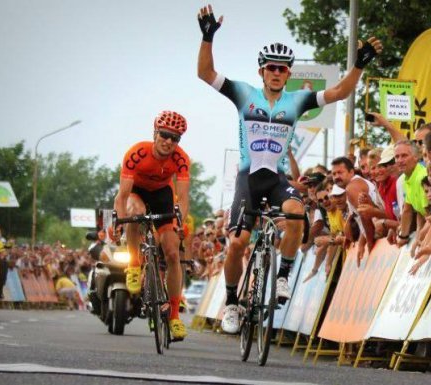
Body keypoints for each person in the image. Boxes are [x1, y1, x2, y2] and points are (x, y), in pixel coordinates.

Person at [197, 4, 382, 333]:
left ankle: (282, 277)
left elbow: (341, 91)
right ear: (261, 71)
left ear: (288, 73)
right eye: (271, 68)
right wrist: (208, 37)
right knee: (238, 243)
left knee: (297, 213)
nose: (277, 73)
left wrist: (358, 66)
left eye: (283, 69)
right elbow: (206, 74)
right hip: (248, 179)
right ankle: (230, 303)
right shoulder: (244, 93)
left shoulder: (296, 100)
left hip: (277, 179)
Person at [111, 110, 190, 341]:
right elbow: (122, 196)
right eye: (164, 135)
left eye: (174, 138)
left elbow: (183, 199)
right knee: (135, 213)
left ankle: (174, 316)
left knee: (173, 253)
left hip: (163, 195)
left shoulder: (181, 159)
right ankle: (134, 265)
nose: (168, 142)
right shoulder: (137, 153)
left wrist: (179, 222)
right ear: (155, 133)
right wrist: (118, 219)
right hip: (137, 192)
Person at [331, 157, 384, 265]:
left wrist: (370, 243)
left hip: (382, 233)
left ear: (351, 172)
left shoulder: (352, 188)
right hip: (379, 229)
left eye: (340, 172)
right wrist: (361, 243)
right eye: (334, 174)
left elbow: (366, 216)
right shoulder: (354, 184)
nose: (336, 177)